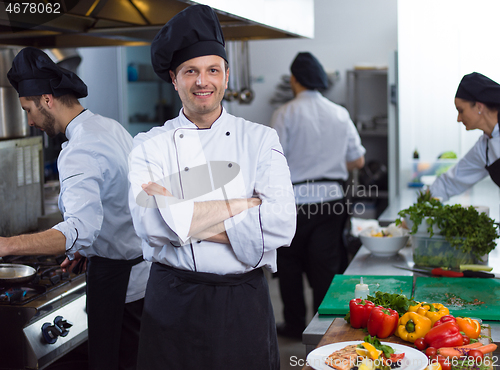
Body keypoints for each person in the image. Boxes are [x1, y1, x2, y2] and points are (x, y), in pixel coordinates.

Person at [127, 4, 296, 370]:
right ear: (174, 79)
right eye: (191, 71)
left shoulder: (260, 139)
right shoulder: (147, 144)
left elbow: (281, 225)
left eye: (212, 70)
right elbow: (149, 225)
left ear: (226, 75)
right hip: (172, 302)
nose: (202, 81)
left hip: (242, 302)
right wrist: (246, 205)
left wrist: (181, 216)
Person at [0, 47, 150, 370]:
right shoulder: (109, 128)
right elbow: (118, 202)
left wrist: (6, 245)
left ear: (47, 100)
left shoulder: (79, 151)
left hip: (118, 285)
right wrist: (90, 245)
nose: (30, 121)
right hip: (140, 278)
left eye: (29, 109)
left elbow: (79, 228)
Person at [270, 52, 366, 339]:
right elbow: (358, 160)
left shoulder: (284, 112)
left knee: (289, 267)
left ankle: (294, 325)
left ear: (294, 80)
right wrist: (331, 164)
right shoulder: (340, 112)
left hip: (295, 202)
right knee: (326, 268)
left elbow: (273, 160)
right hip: (331, 202)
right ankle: (326, 330)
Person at [429, 72, 500, 199]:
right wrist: (420, 204)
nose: (459, 118)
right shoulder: (484, 147)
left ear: (479, 106)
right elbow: (451, 182)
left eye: (461, 110)